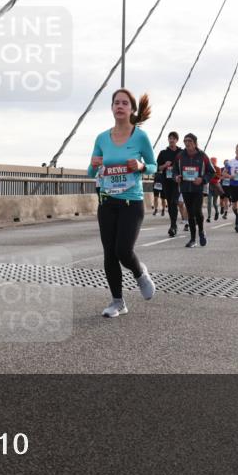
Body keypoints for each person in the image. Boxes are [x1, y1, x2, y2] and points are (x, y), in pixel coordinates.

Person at [89, 89, 158, 318]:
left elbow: (153, 166)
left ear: (131, 109)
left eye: (124, 103)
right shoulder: (101, 137)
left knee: (123, 250)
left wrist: (140, 167)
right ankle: (117, 302)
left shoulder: (140, 137)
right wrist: (94, 164)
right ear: (112, 108)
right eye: (116, 103)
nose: (120, 106)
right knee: (109, 253)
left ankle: (140, 273)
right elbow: (91, 172)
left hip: (132, 201)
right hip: (107, 200)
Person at [175, 133, 215, 248]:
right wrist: (176, 177)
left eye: (189, 141)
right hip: (185, 188)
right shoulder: (180, 156)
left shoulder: (202, 156)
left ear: (195, 143)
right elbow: (174, 171)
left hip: (198, 188)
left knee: (197, 211)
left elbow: (211, 172)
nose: (187, 143)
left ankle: (201, 231)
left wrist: (202, 180)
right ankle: (193, 239)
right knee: (190, 213)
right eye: (185, 141)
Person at [156, 132, 183, 237]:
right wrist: (164, 165)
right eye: (170, 138)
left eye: (173, 138)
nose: (171, 140)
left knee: (174, 201)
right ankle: (173, 225)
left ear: (177, 140)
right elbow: (157, 168)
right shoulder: (163, 153)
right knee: (170, 203)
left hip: (177, 181)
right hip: (166, 181)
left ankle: (173, 226)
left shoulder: (181, 152)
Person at [206, 156, 222, 223]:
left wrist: (214, 174)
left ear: (215, 162)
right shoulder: (208, 168)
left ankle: (217, 212)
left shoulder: (218, 168)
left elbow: (219, 177)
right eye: (211, 161)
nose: (212, 162)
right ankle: (209, 216)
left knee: (214, 203)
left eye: (213, 161)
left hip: (215, 186)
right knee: (209, 202)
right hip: (209, 186)